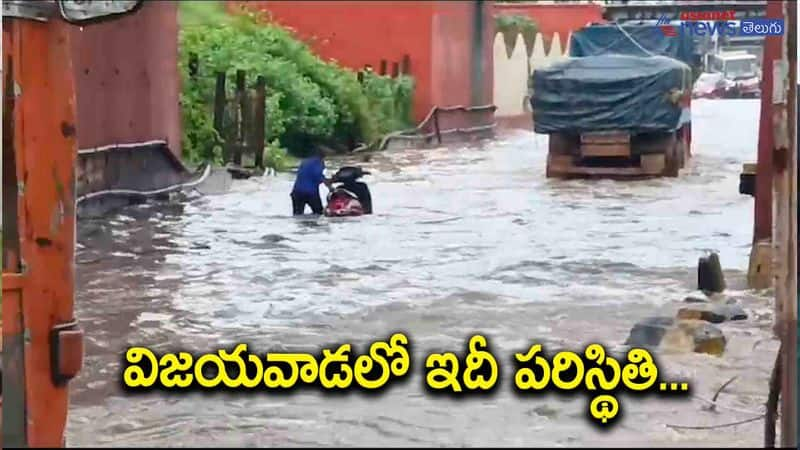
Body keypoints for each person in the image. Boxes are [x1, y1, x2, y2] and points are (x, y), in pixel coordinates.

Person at [291, 150, 330, 215]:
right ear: (322, 157)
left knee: (297, 215)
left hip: (296, 192)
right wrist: (330, 186)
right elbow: (318, 176)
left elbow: (306, 175)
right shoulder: (319, 162)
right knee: (319, 213)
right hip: (310, 192)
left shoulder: (304, 162)